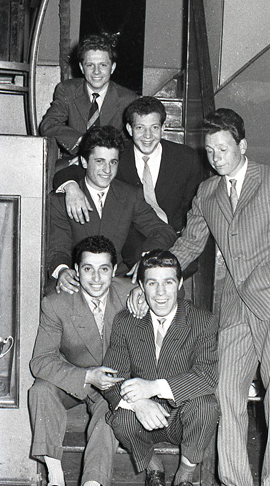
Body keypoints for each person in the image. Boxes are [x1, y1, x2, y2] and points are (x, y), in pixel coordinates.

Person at [130, 108, 270, 486]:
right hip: (233, 306)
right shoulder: (208, 192)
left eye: (223, 149)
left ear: (242, 146)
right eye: (210, 150)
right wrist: (151, 278)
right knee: (226, 392)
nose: (216, 157)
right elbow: (189, 244)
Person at [102, 250, 219, 486]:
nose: (161, 292)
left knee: (206, 405)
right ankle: (154, 468)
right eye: (152, 283)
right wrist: (138, 402)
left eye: (168, 282)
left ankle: (184, 478)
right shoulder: (126, 321)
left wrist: (153, 387)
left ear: (180, 284)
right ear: (141, 287)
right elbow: (111, 379)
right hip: (144, 419)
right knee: (121, 419)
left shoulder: (202, 321)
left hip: (181, 416)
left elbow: (207, 376)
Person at [28, 235, 133, 486]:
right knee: (40, 390)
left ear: (114, 271)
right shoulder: (56, 304)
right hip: (76, 377)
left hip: (112, 383)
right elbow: (40, 361)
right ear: (76, 270)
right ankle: (56, 481)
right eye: (88, 269)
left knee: (108, 414)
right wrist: (87, 376)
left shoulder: (131, 294)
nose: (96, 278)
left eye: (103, 269)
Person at [52, 96, 204, 268]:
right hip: (132, 240)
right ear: (129, 129)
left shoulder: (185, 158)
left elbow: (194, 205)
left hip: (172, 236)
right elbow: (77, 170)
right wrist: (71, 187)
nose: (147, 136)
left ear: (163, 128)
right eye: (140, 128)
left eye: (154, 127)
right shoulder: (116, 154)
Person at [47, 125, 177, 294]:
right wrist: (63, 271)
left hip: (117, 280)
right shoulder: (62, 200)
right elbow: (58, 248)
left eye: (113, 162)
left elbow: (163, 231)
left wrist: (147, 257)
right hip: (78, 280)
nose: (107, 170)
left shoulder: (130, 195)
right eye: (99, 161)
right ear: (84, 162)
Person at [39, 34, 137, 156]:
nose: (96, 71)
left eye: (103, 65)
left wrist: (100, 158)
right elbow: (49, 124)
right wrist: (84, 144)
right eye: (90, 65)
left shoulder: (127, 99)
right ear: (81, 68)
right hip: (75, 159)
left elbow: (130, 141)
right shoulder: (68, 91)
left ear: (112, 68)